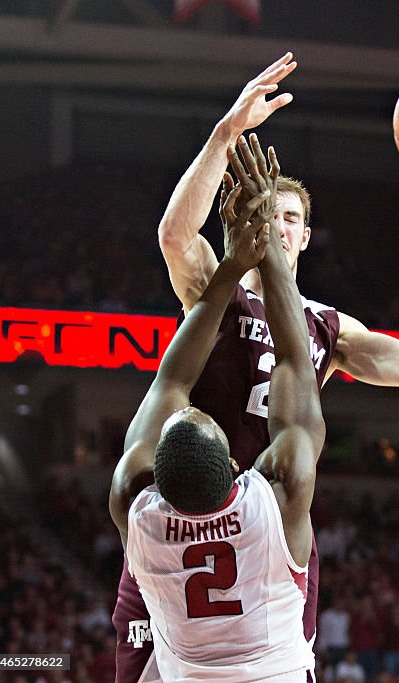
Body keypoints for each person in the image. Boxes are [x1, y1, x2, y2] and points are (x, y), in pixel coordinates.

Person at [113, 54, 399, 681]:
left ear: (307, 237)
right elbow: (176, 235)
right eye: (270, 213)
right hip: (180, 516)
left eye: (291, 219)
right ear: (246, 218)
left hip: (269, 533)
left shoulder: (326, 327)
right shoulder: (216, 289)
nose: (278, 227)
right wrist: (226, 133)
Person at [109, 146, 326, 680]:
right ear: (237, 467)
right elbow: (295, 362)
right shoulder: (271, 507)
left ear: (154, 474)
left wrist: (230, 266)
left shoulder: (138, 511)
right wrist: (265, 253)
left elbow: (173, 380)